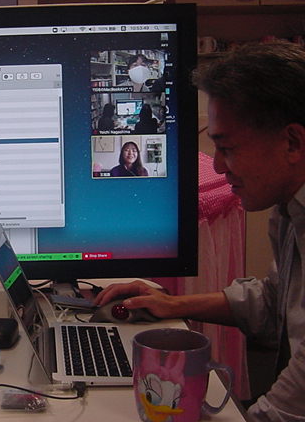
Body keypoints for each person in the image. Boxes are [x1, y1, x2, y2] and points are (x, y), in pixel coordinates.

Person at [96, 41, 305, 421]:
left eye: (228, 148)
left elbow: (288, 408)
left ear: (293, 142)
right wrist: (172, 305)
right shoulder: (289, 209)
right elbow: (276, 301)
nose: (219, 166)